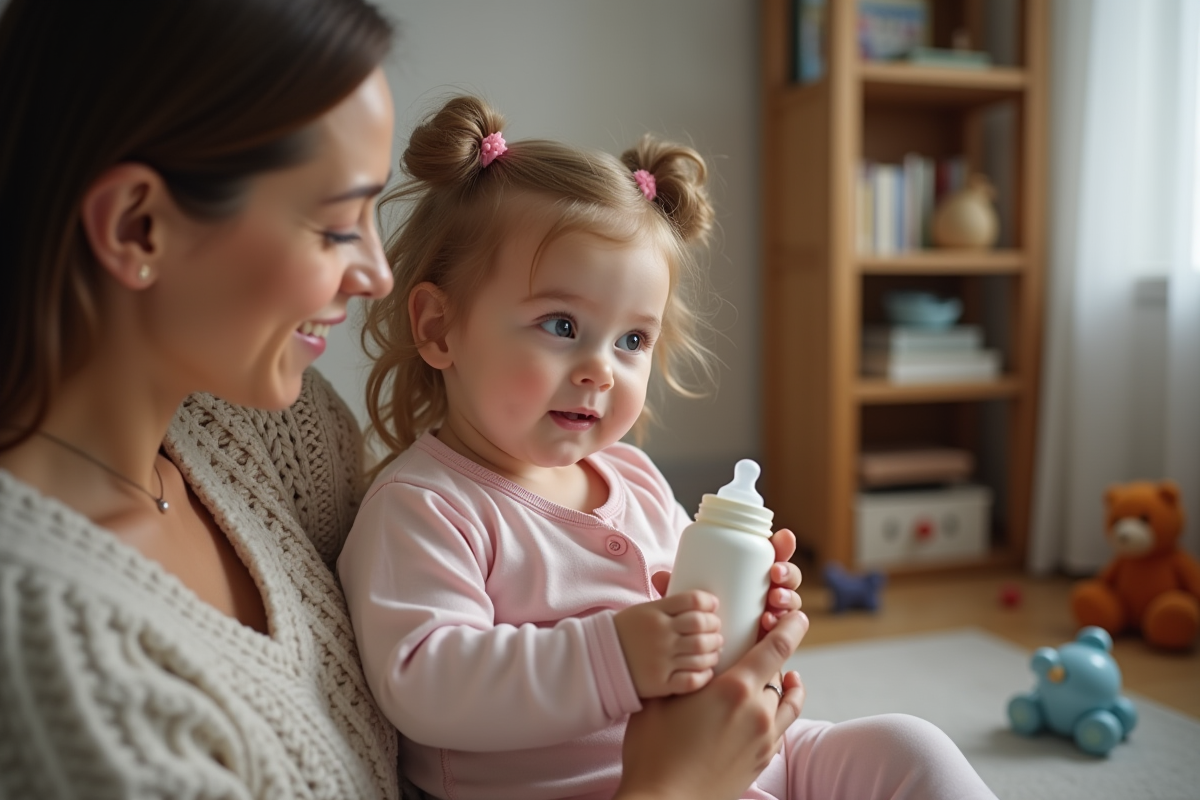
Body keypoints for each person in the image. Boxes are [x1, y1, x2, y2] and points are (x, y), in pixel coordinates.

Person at [0, 2, 815, 798]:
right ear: (138, 226)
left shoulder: (282, 428)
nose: (377, 277)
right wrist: (675, 786)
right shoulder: (66, 673)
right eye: (332, 226)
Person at [338, 95, 998, 800]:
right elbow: (423, 679)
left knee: (910, 746)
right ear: (440, 328)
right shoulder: (426, 507)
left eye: (632, 340)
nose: (601, 368)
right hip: (602, 788)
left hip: (743, 764)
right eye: (560, 325)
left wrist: (745, 611)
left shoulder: (636, 477)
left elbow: (695, 618)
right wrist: (613, 657)